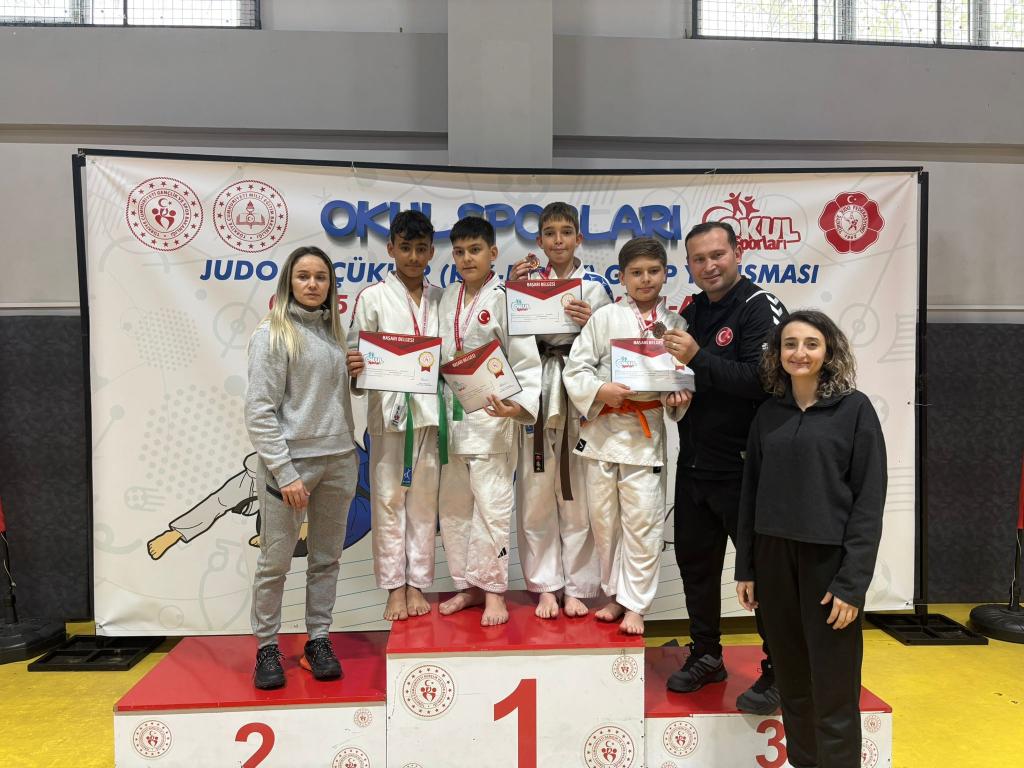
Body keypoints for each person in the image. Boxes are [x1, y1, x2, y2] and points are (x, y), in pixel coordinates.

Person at [735, 310, 886, 768]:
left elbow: (869, 500)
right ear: (778, 354)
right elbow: (751, 493)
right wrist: (747, 567)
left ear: (829, 351)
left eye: (811, 344)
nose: (799, 353)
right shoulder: (767, 414)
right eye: (790, 344)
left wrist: (852, 583)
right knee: (793, 683)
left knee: (834, 686)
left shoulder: (855, 410)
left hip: (829, 564)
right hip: (773, 560)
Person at [662, 221, 786, 712]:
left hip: (745, 470)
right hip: (695, 464)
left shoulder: (759, 305)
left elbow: (765, 380)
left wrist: (698, 359)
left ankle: (781, 669)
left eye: (717, 255)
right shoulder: (691, 310)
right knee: (695, 566)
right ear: (689, 265)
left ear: (738, 252)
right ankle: (707, 655)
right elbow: (686, 375)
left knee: (763, 574)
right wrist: (675, 388)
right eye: (699, 259)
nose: (709, 266)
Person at [563, 236, 692, 635]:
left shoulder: (676, 325)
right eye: (636, 272)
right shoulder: (604, 317)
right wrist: (600, 390)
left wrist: (678, 395)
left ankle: (636, 605)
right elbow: (576, 369)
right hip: (602, 432)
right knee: (604, 522)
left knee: (643, 522)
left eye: (653, 271)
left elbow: (681, 375)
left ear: (665, 273)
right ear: (621, 277)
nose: (645, 279)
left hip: (644, 436)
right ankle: (616, 594)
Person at [245, 245, 358, 690]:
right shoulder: (272, 333)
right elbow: (259, 412)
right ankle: (266, 647)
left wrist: (357, 373)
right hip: (290, 466)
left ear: (331, 285)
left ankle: (318, 639)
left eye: (321, 277)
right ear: (289, 282)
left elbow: (333, 396)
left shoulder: (334, 333)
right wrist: (285, 472)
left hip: (339, 461)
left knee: (326, 559)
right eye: (304, 276)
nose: (313, 284)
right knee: (275, 563)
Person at [507, 202, 613, 619]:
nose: (558, 240)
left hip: (578, 391)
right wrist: (512, 293)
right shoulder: (526, 281)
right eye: (549, 233)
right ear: (539, 240)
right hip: (537, 386)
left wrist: (593, 322)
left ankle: (578, 586)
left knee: (576, 493)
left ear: (579, 238)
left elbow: (611, 346)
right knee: (536, 492)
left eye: (566, 232)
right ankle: (545, 586)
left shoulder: (595, 287)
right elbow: (508, 337)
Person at [436, 216, 541, 626]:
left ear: (493, 253)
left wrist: (518, 406)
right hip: (452, 418)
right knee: (455, 508)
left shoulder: (506, 299)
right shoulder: (447, 296)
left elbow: (526, 361)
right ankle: (467, 586)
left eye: (475, 250)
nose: (467, 258)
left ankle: (495, 591)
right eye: (459, 252)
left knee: (492, 506)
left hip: (493, 418)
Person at [346, 210, 442, 622]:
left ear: (432, 251)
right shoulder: (372, 298)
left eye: (421, 249)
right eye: (405, 248)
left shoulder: (442, 298)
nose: (413, 257)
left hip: (432, 416)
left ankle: (417, 582)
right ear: (391, 249)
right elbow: (355, 353)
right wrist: (355, 366)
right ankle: (393, 587)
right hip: (389, 415)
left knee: (423, 503)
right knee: (388, 501)